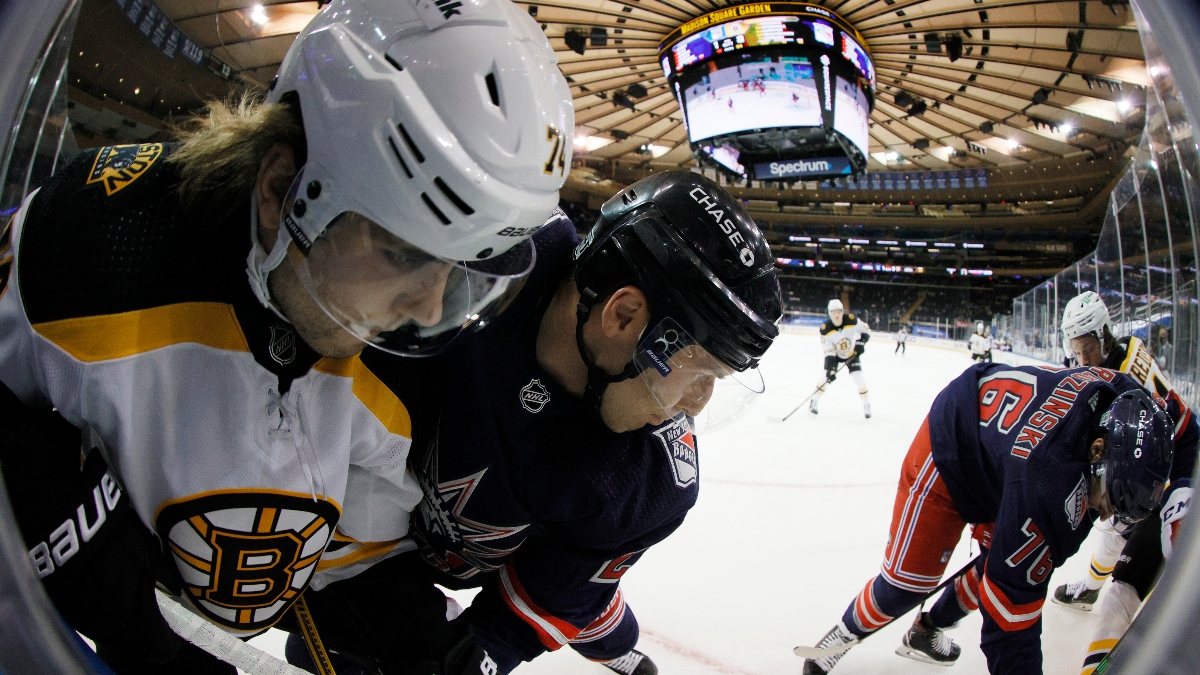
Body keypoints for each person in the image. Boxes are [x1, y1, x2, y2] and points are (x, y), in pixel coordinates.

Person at [0, 0, 573, 672]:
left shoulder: (401, 352)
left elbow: (357, 560)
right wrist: (88, 563)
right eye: (406, 251)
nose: (428, 308)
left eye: (462, 267)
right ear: (282, 188)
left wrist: (435, 650)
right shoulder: (93, 250)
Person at [280, 172, 783, 675]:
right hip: (400, 529)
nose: (696, 405)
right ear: (624, 316)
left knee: (590, 608)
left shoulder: (650, 480)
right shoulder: (460, 273)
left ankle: (612, 638)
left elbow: (536, 606)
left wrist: (473, 659)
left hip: (514, 553)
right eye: (699, 371)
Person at [801, 364, 1175, 675]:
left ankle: (926, 630)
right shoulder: (1047, 486)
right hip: (954, 444)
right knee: (907, 585)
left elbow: (1185, 428)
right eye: (1111, 499)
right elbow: (1010, 626)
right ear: (1097, 450)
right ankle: (838, 638)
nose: (1106, 514)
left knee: (991, 564)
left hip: (1006, 457)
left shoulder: (1123, 397)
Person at [1047, 292, 1195, 674]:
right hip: (1170, 462)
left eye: (1087, 348)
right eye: (1075, 350)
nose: (1081, 359)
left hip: (1172, 472)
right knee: (1115, 529)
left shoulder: (1121, 384)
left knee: (1122, 529)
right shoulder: (1128, 348)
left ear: (1104, 335)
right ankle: (1092, 589)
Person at [810, 299, 871, 418]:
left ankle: (867, 404)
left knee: (859, 378)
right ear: (829, 313)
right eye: (833, 312)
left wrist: (861, 342)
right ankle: (814, 401)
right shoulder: (825, 329)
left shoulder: (852, 320)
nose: (836, 315)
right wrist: (831, 369)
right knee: (824, 379)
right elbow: (828, 351)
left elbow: (866, 330)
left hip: (851, 354)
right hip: (836, 356)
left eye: (838, 312)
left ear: (842, 312)